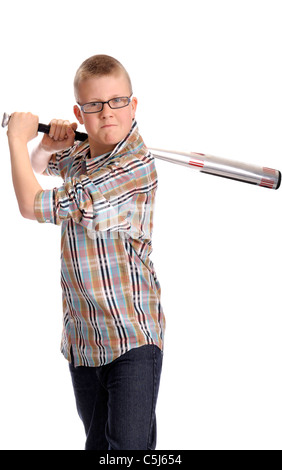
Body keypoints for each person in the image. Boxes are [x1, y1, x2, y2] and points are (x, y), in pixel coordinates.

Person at [7, 54, 165, 450]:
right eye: (94, 106)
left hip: (131, 338)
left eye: (116, 102)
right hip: (84, 338)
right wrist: (43, 144)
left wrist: (14, 136)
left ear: (133, 105)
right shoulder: (83, 157)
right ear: (80, 111)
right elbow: (41, 167)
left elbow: (32, 204)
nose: (107, 113)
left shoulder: (132, 169)